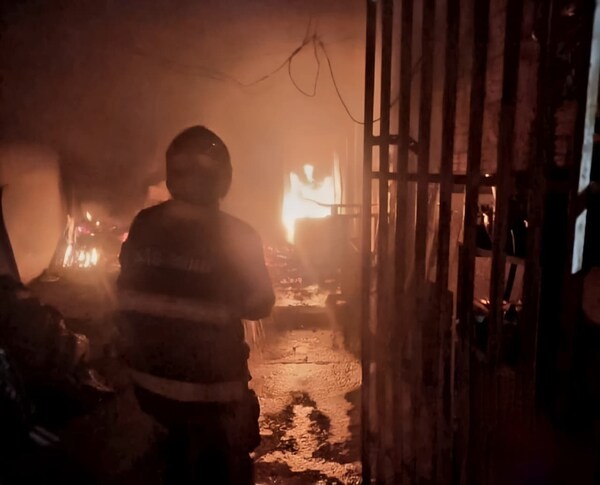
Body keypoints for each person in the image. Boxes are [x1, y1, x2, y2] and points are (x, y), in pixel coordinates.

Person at [116, 126, 275, 484]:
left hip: (147, 395)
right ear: (223, 179)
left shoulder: (144, 224)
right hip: (215, 400)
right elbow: (261, 303)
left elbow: (127, 286)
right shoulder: (238, 234)